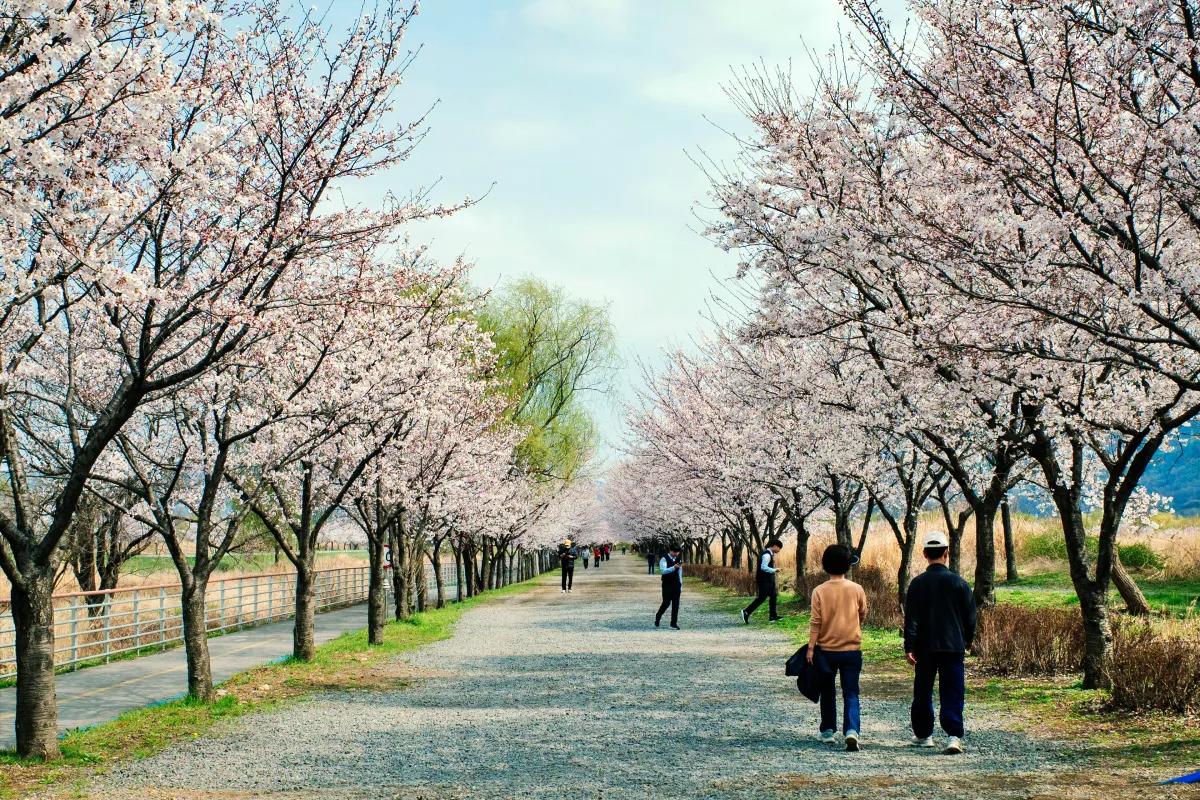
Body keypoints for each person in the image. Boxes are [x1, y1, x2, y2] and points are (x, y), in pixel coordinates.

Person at [904, 531, 977, 755]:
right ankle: (953, 736)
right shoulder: (959, 583)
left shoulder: (917, 584)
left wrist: (909, 646)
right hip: (953, 646)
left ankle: (924, 735)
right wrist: (967, 640)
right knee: (952, 690)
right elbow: (970, 617)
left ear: (924, 553)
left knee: (923, 691)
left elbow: (911, 618)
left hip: (925, 647)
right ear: (946, 553)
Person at [806, 544, 868, 751]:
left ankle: (828, 731)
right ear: (847, 565)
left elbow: (816, 622)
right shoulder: (857, 589)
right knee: (851, 692)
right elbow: (863, 614)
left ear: (825, 565)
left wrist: (811, 648)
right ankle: (851, 730)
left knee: (827, 690)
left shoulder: (819, 591)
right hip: (852, 650)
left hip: (826, 650)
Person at [741, 538, 784, 623]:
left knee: (773, 596)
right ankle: (746, 612)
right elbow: (763, 567)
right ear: (775, 546)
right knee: (761, 598)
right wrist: (774, 570)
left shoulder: (769, 554)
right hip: (764, 581)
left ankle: (773, 616)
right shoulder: (767, 555)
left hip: (768, 581)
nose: (779, 550)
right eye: (779, 548)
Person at [654, 546, 683, 629]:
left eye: (678, 553)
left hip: (676, 584)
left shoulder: (678, 559)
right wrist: (673, 567)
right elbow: (663, 571)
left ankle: (673, 623)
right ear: (671, 551)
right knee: (666, 603)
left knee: (676, 604)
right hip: (667, 584)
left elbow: (680, 573)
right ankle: (658, 616)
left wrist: (681, 585)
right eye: (675, 552)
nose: (676, 554)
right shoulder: (664, 559)